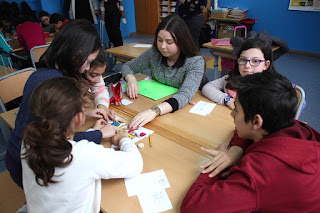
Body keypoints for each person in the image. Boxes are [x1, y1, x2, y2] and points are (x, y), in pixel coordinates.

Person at [181, 72, 320, 212]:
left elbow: (194, 207)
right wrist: (237, 148)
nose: (232, 114)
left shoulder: (260, 172)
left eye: (236, 109)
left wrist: (218, 162)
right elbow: (243, 131)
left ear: (256, 121)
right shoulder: (296, 128)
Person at [5, 19, 114, 189]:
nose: (86, 68)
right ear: (76, 55)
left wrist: (84, 115)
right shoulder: (51, 82)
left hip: (29, 156)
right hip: (31, 169)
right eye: (87, 62)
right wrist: (97, 135)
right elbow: (55, 142)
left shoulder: (48, 73)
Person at [21, 77, 143, 212]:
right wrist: (123, 139)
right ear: (79, 118)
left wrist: (94, 132)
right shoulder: (83, 155)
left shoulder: (29, 139)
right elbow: (135, 164)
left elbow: (63, 142)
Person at [121, 14, 205, 130]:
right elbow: (128, 66)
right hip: (157, 102)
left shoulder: (195, 62)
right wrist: (131, 79)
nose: (162, 46)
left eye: (169, 42)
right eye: (159, 40)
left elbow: (185, 94)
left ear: (181, 41)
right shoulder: (154, 53)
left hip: (179, 110)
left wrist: (154, 111)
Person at [202, 38, 275, 110]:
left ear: (266, 65)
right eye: (243, 60)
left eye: (255, 61)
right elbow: (207, 87)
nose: (247, 66)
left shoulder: (272, 90)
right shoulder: (232, 78)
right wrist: (227, 99)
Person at [81, 49, 116, 120]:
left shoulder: (94, 73)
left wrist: (102, 106)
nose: (98, 80)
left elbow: (100, 90)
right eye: (93, 75)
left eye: (100, 75)